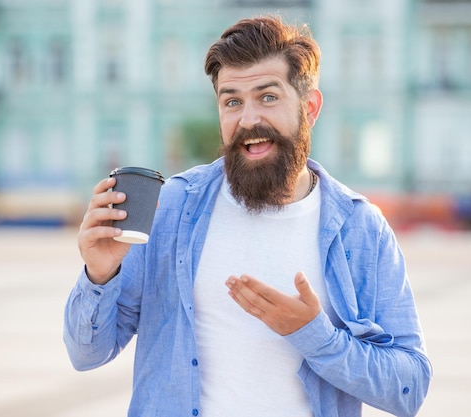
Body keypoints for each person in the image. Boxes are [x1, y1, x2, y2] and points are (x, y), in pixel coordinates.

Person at [64, 15, 432, 417]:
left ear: (309, 108)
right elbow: (86, 355)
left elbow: (408, 387)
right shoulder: (172, 207)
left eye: (268, 97)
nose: (248, 119)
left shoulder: (362, 229)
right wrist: (99, 275)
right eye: (232, 101)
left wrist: (316, 336)